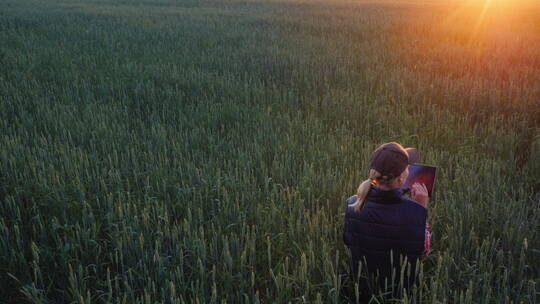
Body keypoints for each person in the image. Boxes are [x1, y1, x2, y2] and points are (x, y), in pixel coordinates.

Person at [343, 142, 431, 302]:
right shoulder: (415, 211)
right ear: (401, 179)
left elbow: (350, 242)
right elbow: (423, 253)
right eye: (407, 167)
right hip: (398, 293)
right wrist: (421, 209)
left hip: (361, 289)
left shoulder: (352, 203)